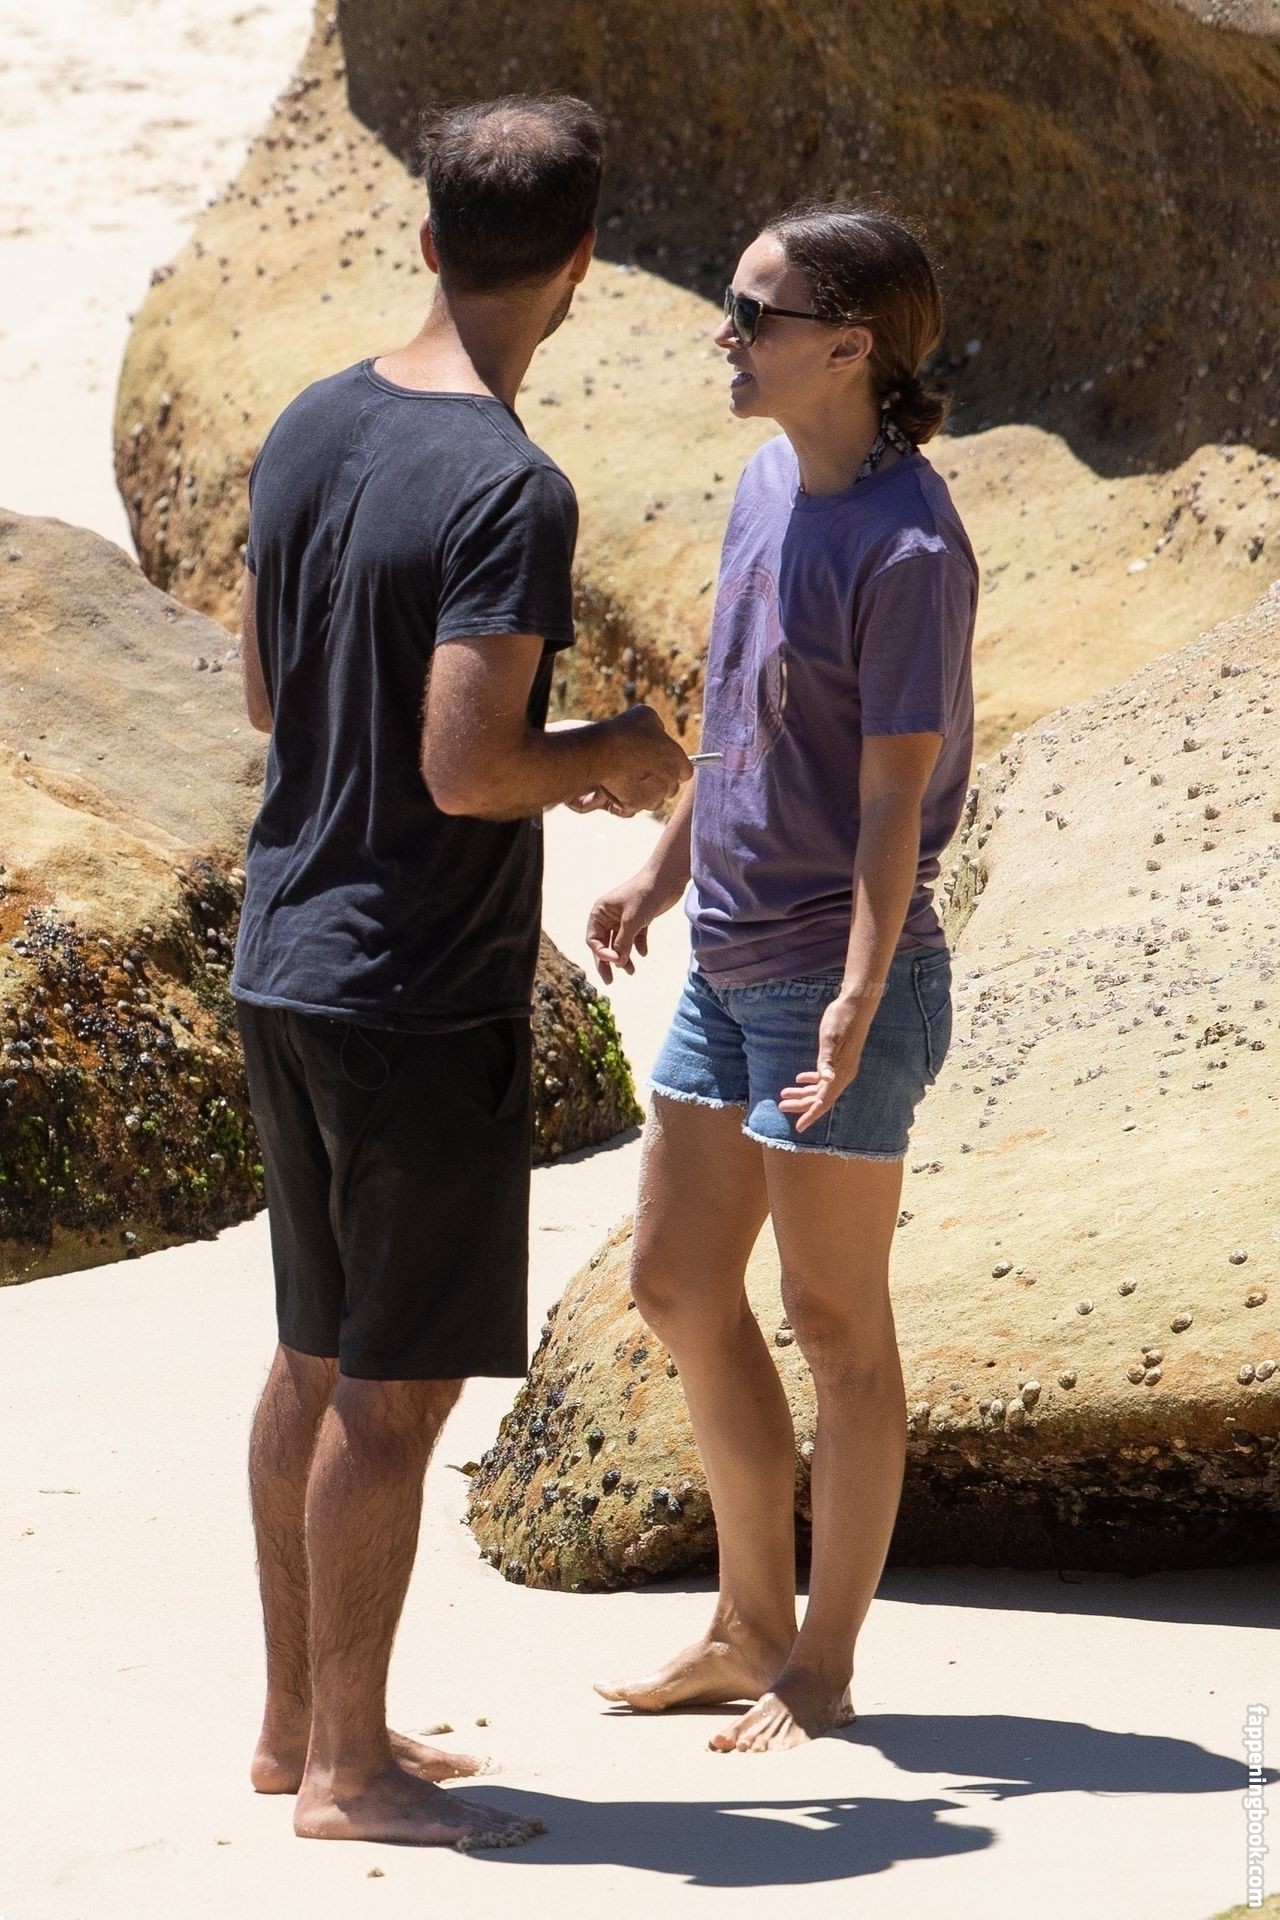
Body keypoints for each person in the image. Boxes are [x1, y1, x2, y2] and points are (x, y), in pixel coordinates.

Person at [232, 94, 691, 1850]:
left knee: (312, 1353)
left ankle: (299, 1726)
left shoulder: (311, 420)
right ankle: (347, 1776)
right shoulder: (511, 486)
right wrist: (614, 753)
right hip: (414, 987)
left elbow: (268, 699)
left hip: (287, 952)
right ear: (582, 264)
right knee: (396, 1388)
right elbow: (469, 765)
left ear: (429, 240)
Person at [585, 202, 977, 1754]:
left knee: (835, 1321)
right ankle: (747, 1627)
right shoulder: (764, 484)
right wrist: (660, 867)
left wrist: (862, 994)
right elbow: (741, 707)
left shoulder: (910, 547)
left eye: (755, 314)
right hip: (730, 957)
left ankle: (822, 1661)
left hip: (838, 976)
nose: (726, 335)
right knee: (678, 1284)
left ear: (849, 347)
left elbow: (892, 801)